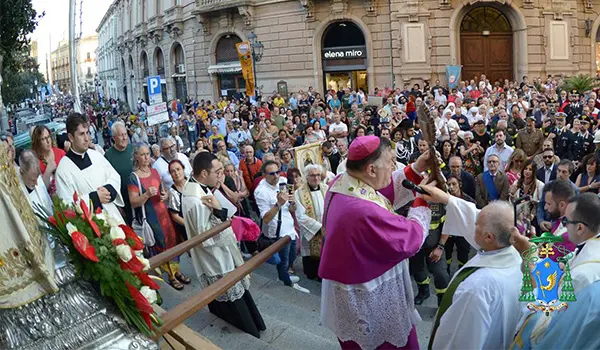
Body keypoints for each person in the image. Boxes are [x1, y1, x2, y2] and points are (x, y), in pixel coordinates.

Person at [320, 136, 433, 349]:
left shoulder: (344, 181)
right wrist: (422, 199)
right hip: (369, 293)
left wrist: (416, 168)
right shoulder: (361, 211)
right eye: (391, 161)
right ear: (371, 169)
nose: (394, 167)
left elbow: (380, 191)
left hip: (352, 280)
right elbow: (410, 239)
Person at [420, 184, 524, 350]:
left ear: (489, 237)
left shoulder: (477, 288)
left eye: (476, 225)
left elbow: (460, 341)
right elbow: (483, 218)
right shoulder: (515, 257)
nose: (472, 225)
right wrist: (447, 199)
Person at [181, 152, 266, 338]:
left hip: (221, 253)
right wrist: (220, 212)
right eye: (217, 171)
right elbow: (205, 237)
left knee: (237, 292)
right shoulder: (194, 200)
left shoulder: (199, 188)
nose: (221, 175)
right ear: (204, 173)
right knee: (230, 295)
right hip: (215, 258)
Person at [510, 193, 600, 349]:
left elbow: (547, 322)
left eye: (566, 221)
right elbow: (557, 273)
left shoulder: (582, 276)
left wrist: (530, 259)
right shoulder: (591, 247)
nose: (564, 226)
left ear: (579, 228)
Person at [127, 144, 188, 289]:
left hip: (164, 214)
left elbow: (163, 191)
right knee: (161, 245)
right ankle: (171, 276)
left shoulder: (154, 171)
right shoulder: (133, 177)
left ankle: (176, 270)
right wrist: (147, 194)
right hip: (151, 218)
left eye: (148, 154)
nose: (146, 157)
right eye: (143, 154)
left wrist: (165, 195)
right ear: (136, 157)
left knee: (172, 242)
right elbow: (133, 202)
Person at [54, 113, 124, 223]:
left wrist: (109, 189)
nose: (87, 138)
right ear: (71, 137)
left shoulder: (95, 155)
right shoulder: (63, 170)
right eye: (81, 134)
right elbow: (67, 206)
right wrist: (94, 198)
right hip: (90, 225)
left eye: (87, 133)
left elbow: (114, 175)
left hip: (113, 216)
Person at [254, 160, 310, 293]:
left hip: (289, 226)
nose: (276, 176)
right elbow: (266, 219)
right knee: (284, 261)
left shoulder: (283, 181)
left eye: (278, 172)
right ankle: (287, 282)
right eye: (272, 173)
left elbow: (292, 207)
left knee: (293, 255)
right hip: (277, 232)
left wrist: (292, 203)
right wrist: (278, 203)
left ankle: (283, 275)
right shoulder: (260, 191)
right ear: (264, 175)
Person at [294, 164, 328, 281]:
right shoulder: (299, 193)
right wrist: (319, 228)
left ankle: (323, 274)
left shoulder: (326, 188)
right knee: (310, 255)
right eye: (313, 175)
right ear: (306, 177)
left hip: (327, 229)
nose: (316, 178)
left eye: (318, 175)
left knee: (325, 252)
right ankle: (312, 273)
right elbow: (300, 216)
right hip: (312, 231)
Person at [104, 121, 135, 225]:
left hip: (139, 196)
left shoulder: (133, 149)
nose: (124, 138)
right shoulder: (108, 156)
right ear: (114, 138)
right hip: (124, 201)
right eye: (121, 135)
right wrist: (117, 206)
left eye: (125, 134)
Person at [30, 125, 66, 196]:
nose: (48, 141)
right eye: (43, 139)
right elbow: (39, 190)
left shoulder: (61, 153)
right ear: (38, 143)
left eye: (48, 137)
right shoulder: (35, 161)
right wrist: (48, 171)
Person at [19, 150, 53, 215]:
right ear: (21, 172)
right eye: (32, 180)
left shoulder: (34, 174)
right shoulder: (18, 189)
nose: (37, 183)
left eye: (37, 178)